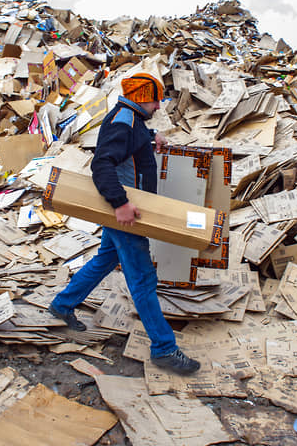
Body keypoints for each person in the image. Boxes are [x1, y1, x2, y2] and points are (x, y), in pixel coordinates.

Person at [48, 69, 201, 375]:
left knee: (105, 259)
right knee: (143, 279)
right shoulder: (124, 122)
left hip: (125, 209)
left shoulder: (130, 119)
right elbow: (101, 164)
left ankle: (63, 304)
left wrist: (151, 137)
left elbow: (131, 137)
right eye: (155, 101)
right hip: (125, 214)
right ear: (142, 99)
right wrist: (120, 204)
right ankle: (163, 349)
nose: (159, 107)